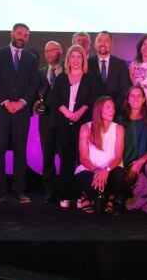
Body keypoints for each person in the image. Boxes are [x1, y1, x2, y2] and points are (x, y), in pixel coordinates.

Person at [0, 23, 40, 204]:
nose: (22, 37)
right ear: (12, 33)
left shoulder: (31, 58)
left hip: (21, 112)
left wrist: (21, 103)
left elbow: (34, 84)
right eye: (19, 33)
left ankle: (19, 190)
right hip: (0, 110)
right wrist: (6, 102)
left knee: (20, 151)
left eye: (25, 35)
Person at [48, 45, 102, 208]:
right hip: (64, 123)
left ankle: (82, 196)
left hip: (83, 123)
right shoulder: (61, 78)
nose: (76, 60)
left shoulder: (90, 78)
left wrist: (80, 111)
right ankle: (65, 195)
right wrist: (66, 112)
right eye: (73, 57)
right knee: (66, 160)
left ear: (83, 60)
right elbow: (54, 98)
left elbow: (94, 98)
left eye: (79, 57)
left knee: (82, 160)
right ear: (68, 59)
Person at [75, 96, 126, 214]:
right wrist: (96, 171)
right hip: (91, 169)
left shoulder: (119, 129)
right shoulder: (85, 128)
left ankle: (109, 198)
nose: (112, 111)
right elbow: (83, 157)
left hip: (110, 170)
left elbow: (118, 157)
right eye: (108, 108)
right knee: (84, 178)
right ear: (99, 110)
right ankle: (86, 196)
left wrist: (106, 170)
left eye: (113, 108)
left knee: (119, 175)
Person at [122, 86, 147, 213]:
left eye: (139, 95)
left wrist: (140, 162)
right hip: (125, 165)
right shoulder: (120, 121)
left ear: (144, 99)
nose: (135, 98)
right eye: (132, 96)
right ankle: (142, 199)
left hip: (144, 164)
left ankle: (141, 198)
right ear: (127, 100)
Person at [35, 41, 63, 204]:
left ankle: (66, 190)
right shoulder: (40, 73)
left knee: (66, 157)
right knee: (48, 159)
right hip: (45, 121)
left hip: (64, 121)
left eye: (51, 50)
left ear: (60, 51)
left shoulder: (67, 71)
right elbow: (35, 95)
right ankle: (51, 192)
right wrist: (35, 104)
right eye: (46, 51)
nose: (48, 54)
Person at [87, 31, 131, 114]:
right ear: (95, 44)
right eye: (100, 40)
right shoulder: (87, 63)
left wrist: (112, 107)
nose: (103, 43)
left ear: (112, 45)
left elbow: (125, 89)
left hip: (116, 112)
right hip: (92, 112)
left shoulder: (120, 64)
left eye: (107, 41)